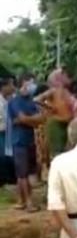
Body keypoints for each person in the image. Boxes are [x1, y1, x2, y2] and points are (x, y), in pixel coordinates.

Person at [8, 74, 44, 211]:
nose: (32, 86)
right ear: (23, 84)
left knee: (26, 171)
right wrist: (31, 120)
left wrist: (25, 120)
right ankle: (29, 202)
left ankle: (22, 200)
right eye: (30, 83)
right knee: (23, 173)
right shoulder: (14, 101)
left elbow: (41, 119)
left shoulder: (30, 101)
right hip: (19, 140)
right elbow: (23, 118)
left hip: (29, 139)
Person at [35, 68, 74, 160]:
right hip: (56, 124)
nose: (68, 78)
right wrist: (51, 108)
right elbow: (37, 99)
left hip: (66, 125)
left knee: (66, 154)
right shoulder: (53, 91)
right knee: (57, 154)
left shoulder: (66, 92)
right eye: (65, 76)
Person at [0, 78, 16, 186]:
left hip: (13, 131)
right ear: (3, 87)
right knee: (2, 156)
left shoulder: (13, 99)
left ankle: (11, 178)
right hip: (2, 131)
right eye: (10, 85)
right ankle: (3, 179)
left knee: (12, 155)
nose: (12, 87)